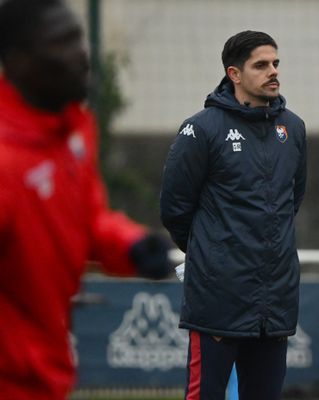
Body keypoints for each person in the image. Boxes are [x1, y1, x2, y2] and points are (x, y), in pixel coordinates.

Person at [0, 0, 172, 399]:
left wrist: (129, 244)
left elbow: (87, 218)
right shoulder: (7, 158)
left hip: (45, 372)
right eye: (62, 42)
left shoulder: (73, 133)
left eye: (78, 37)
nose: (82, 54)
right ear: (20, 62)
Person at [160, 30, 307, 399]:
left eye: (275, 63)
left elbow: (293, 201)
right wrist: (215, 256)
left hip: (274, 304)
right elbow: (175, 209)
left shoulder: (295, 128)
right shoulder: (202, 129)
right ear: (234, 74)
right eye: (261, 65)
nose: (273, 71)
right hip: (217, 303)